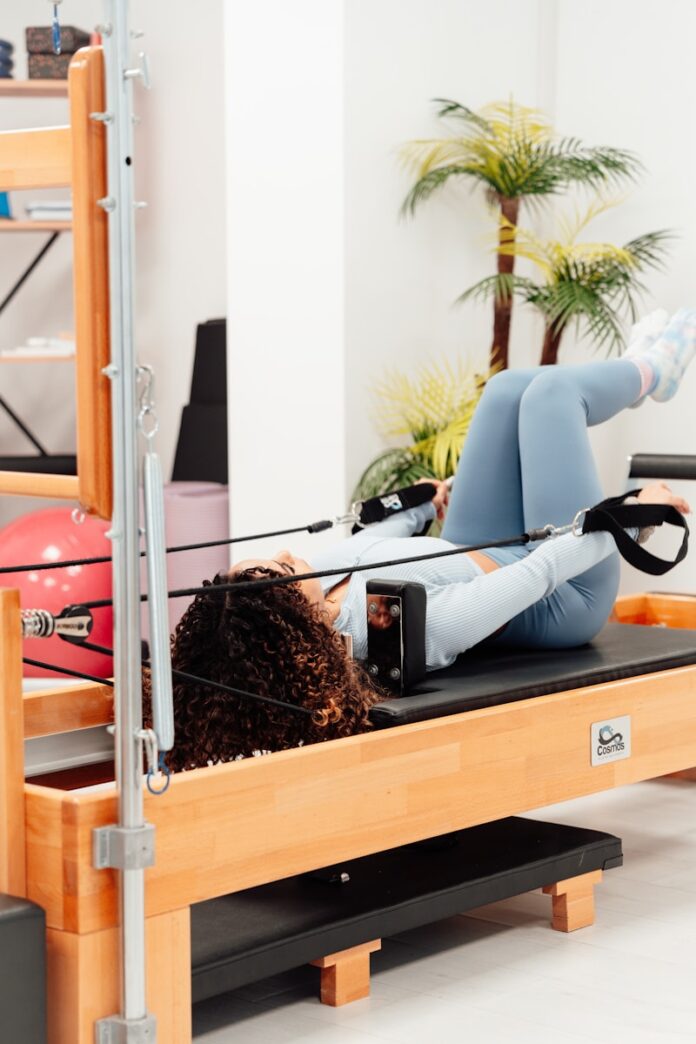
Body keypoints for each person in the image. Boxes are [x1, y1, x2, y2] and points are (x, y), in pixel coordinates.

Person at [157, 309, 693, 770]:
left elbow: (367, 547)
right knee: (553, 394)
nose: (283, 556)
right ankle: (655, 370)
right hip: (563, 592)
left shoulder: (319, 587)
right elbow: (536, 575)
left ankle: (639, 368)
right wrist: (631, 517)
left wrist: (417, 512)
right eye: (282, 572)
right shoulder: (392, 628)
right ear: (302, 619)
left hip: (470, 543)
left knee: (507, 390)